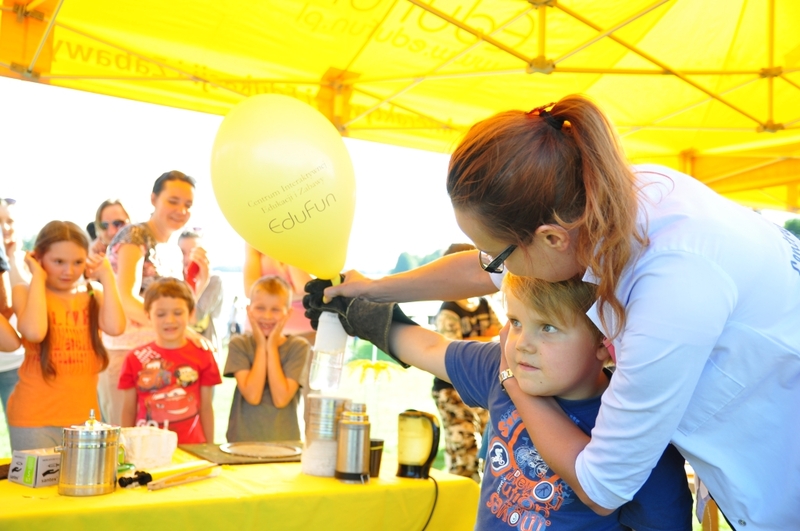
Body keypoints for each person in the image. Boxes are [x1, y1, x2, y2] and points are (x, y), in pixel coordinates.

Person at [322, 95, 800, 530]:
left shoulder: (674, 284)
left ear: (552, 237)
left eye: (499, 253)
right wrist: (377, 290)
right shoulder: (613, 200)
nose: (494, 267)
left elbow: (602, 486)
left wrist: (509, 373)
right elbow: (484, 270)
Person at [305, 274, 692, 530]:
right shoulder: (501, 365)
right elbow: (429, 346)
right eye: (517, 322)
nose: (523, 342)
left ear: (605, 345)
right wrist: (360, 311)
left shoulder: (636, 425)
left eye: (548, 328)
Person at [98, 170, 209, 426]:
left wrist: (200, 283)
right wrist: (181, 332)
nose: (181, 209)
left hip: (158, 354)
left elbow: (175, 308)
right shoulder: (135, 237)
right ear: (153, 199)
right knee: (123, 437)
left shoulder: (172, 248)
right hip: (126, 352)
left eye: (188, 204)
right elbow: (125, 299)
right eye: (173, 201)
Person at [6, 221, 125, 450]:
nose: (69, 271)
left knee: (84, 485)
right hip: (33, 418)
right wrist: (38, 277)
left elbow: (116, 327)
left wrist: (107, 275)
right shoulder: (25, 291)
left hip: (84, 420)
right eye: (58, 262)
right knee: (37, 487)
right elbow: (34, 331)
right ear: (39, 257)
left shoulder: (94, 294)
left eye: (78, 262)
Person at [119, 277, 220, 444]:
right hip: (147, 448)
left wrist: (209, 447)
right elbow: (128, 409)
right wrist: (126, 446)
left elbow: (206, 407)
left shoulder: (203, 354)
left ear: (191, 313)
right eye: (161, 314)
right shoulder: (134, 358)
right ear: (148, 316)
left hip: (192, 447)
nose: (170, 320)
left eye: (178, 313)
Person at [432, 243, 500, 482]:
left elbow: (502, 335)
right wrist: (486, 342)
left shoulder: (484, 305)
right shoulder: (449, 310)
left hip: (481, 387)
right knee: (464, 451)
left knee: (490, 448)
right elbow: (455, 351)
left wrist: (478, 342)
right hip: (453, 389)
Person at [224, 276, 310, 443]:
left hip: (285, 442)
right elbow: (253, 395)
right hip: (242, 442)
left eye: (276, 310)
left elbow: (281, 398)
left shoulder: (299, 347)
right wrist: (262, 347)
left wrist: (271, 347)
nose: (267, 316)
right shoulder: (239, 344)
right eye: (260, 308)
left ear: (288, 313)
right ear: (249, 310)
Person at [0, 198, 25, 432]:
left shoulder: (26, 262)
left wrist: (11, 258)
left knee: (19, 427)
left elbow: (18, 303)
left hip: (14, 363)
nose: (4, 228)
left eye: (9, 221)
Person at [178, 230, 223, 350]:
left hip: (205, 349)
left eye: (193, 253)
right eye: (182, 253)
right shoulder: (173, 281)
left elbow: (193, 318)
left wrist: (200, 282)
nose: (187, 259)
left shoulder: (213, 281)